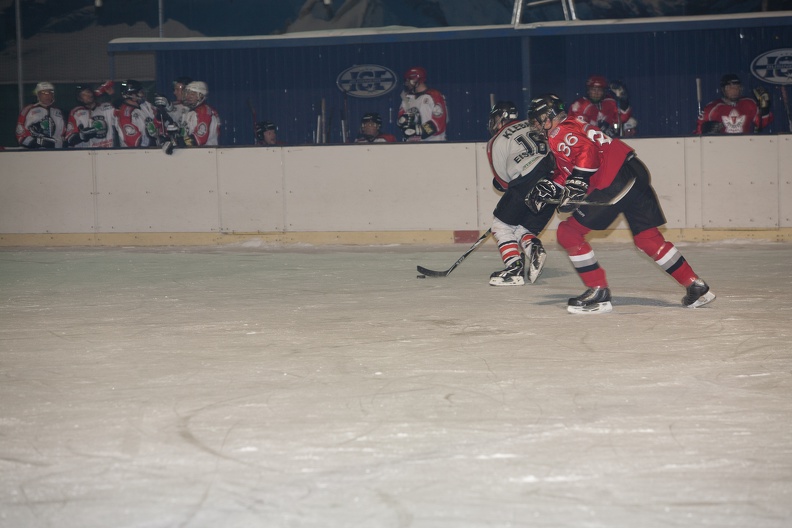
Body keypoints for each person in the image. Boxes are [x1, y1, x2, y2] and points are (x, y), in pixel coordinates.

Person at [526, 93, 715, 314]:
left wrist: (578, 180)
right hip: (633, 172)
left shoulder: (559, 132)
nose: (535, 125)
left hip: (614, 181)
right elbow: (574, 162)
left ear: (548, 118)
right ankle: (695, 285)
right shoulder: (574, 125)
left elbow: (587, 153)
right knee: (647, 238)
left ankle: (598, 291)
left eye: (537, 120)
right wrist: (553, 185)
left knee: (568, 233)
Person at [486, 101, 559, 286]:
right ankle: (533, 246)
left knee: (501, 226)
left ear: (499, 119)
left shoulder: (497, 139)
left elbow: (503, 182)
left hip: (527, 177)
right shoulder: (535, 124)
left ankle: (513, 269)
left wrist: (505, 187)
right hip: (556, 178)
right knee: (522, 229)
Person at [695, 74, 773, 134]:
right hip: (720, 148)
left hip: (745, 146)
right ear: (723, 90)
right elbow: (698, 132)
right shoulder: (711, 108)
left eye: (736, 87)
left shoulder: (749, 104)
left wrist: (765, 109)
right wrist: (704, 129)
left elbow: (761, 124)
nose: (734, 90)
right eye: (730, 88)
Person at [568, 75, 636, 137]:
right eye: (593, 89)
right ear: (588, 90)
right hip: (587, 143)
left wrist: (623, 100)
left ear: (604, 91)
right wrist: (595, 129)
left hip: (607, 142)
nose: (596, 93)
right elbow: (575, 128)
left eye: (599, 90)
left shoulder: (610, 102)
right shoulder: (580, 105)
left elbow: (622, 118)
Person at [396, 66, 448, 142]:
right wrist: (403, 123)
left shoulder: (434, 95)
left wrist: (417, 130)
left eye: (409, 80)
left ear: (416, 80)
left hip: (433, 143)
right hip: (412, 145)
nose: (407, 83)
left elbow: (438, 123)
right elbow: (401, 119)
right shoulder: (407, 99)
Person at [65, 84, 117, 148]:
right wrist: (82, 135)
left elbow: (120, 112)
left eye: (88, 92)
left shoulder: (107, 107)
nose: (88, 95)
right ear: (80, 99)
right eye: (84, 95)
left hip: (107, 152)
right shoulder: (76, 113)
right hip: (86, 154)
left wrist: (113, 96)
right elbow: (69, 139)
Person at [16, 82, 65, 149]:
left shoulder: (58, 111)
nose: (48, 95)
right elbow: (20, 134)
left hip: (56, 152)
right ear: (37, 94)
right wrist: (37, 143)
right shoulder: (28, 110)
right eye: (44, 93)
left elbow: (63, 134)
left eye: (50, 92)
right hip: (35, 152)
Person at [114, 80, 162, 148]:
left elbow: (158, 120)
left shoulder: (145, 105)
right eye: (140, 92)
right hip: (135, 155)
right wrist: (152, 139)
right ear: (132, 95)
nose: (142, 95)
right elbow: (134, 142)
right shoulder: (124, 115)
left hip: (151, 151)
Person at [179, 81, 221, 147]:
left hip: (206, 153)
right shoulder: (189, 112)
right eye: (187, 93)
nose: (188, 96)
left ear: (201, 96)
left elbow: (200, 138)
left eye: (192, 94)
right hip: (194, 153)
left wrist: (179, 142)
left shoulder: (204, 112)